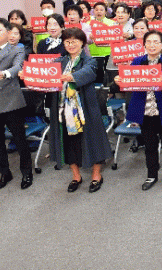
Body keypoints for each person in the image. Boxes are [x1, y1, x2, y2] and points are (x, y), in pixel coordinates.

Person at [45, 27, 113, 193]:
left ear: (82, 42)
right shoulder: (58, 62)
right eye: (67, 41)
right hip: (62, 109)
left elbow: (88, 73)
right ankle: (76, 176)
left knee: (93, 141)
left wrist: (72, 77)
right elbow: (45, 75)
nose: (71, 44)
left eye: (74, 41)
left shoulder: (89, 61)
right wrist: (28, 75)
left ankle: (96, 175)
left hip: (85, 109)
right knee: (69, 143)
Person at [121, 30, 162, 191]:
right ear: (144, 44)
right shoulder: (137, 61)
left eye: (156, 42)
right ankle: (152, 175)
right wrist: (120, 79)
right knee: (149, 145)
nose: (152, 45)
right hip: (145, 111)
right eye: (149, 42)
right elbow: (128, 80)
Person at [0, 18, 32, 190]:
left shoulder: (16, 49)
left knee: (20, 140)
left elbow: (18, 67)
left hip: (11, 102)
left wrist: (4, 74)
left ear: (8, 32)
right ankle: (4, 173)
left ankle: (27, 172)